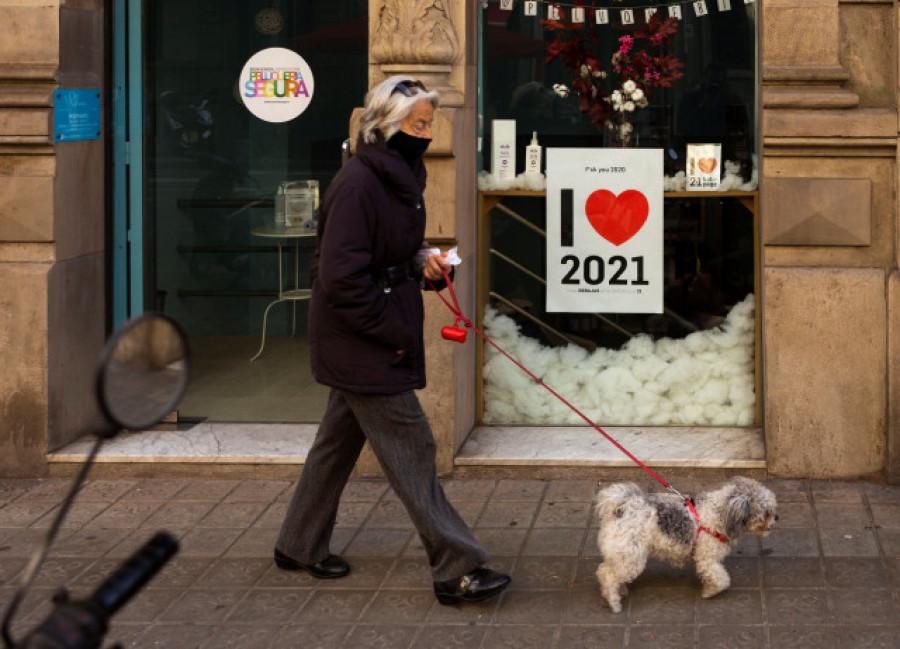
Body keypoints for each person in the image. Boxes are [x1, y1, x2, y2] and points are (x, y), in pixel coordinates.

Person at [274, 76, 511, 606]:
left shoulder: (396, 174)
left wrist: (419, 259)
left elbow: (380, 252)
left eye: (430, 124)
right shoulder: (359, 183)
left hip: (367, 333)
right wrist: (390, 331)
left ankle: (297, 544)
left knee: (336, 445)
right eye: (418, 124)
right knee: (414, 447)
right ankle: (457, 567)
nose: (427, 134)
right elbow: (341, 276)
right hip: (363, 337)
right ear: (386, 125)